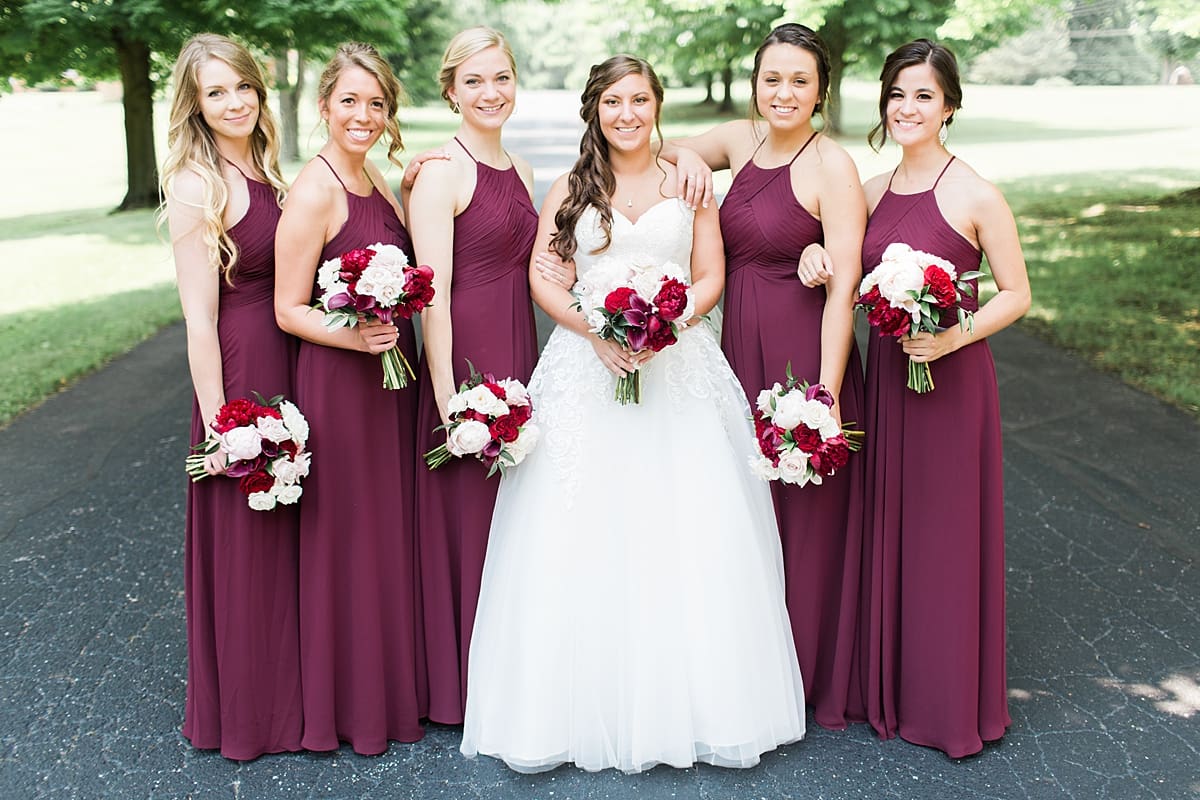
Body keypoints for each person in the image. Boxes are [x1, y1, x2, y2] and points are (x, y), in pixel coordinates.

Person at [460, 55, 806, 774]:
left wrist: (668, 329)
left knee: (686, 528)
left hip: (677, 368)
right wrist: (594, 330)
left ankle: (698, 706)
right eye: (613, 101)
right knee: (580, 526)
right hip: (586, 370)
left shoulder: (687, 181)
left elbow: (711, 274)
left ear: (656, 103)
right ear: (595, 109)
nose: (627, 113)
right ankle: (574, 706)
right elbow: (543, 275)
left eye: (640, 99)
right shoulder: (571, 186)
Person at [659, 23, 869, 730]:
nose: (784, 93)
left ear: (822, 91)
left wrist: (826, 396)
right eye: (772, 79)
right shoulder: (739, 139)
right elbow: (648, 142)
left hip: (800, 355)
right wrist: (687, 156)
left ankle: (805, 674)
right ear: (756, 84)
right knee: (733, 508)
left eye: (800, 81)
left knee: (800, 515)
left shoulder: (831, 167)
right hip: (733, 355)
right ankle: (741, 669)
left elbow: (843, 289)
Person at [857, 39, 1030, 757]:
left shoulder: (976, 193)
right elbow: (838, 266)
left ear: (950, 106)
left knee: (947, 539)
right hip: (891, 385)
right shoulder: (867, 192)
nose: (907, 107)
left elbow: (1017, 294)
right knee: (893, 526)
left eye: (923, 95)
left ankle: (951, 704)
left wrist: (953, 339)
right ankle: (892, 691)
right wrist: (816, 257)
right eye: (898, 93)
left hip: (953, 383)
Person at [274, 41, 424, 754]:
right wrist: (353, 333)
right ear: (324, 106)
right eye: (349, 102)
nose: (362, 114)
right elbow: (286, 308)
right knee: (348, 540)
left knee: (385, 534)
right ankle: (347, 709)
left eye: (376, 103)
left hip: (387, 385)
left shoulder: (376, 179)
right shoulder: (316, 189)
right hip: (340, 385)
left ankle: (392, 691)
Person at [161, 33, 301, 760]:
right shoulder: (196, 183)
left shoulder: (268, 165)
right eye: (216, 91)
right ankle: (251, 716)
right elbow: (197, 317)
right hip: (239, 371)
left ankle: (295, 698)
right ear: (195, 103)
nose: (235, 101)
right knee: (248, 539)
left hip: (290, 363)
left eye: (242, 86)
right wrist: (223, 427)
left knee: (291, 535)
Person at [407, 26, 539, 726]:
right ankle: (458, 688)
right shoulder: (442, 173)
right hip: (463, 368)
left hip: (518, 355)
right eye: (475, 81)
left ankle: (507, 675)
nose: (491, 93)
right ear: (451, 90)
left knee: (514, 521)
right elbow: (432, 296)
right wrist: (450, 403)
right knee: (467, 520)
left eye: (501, 78)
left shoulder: (515, 167)